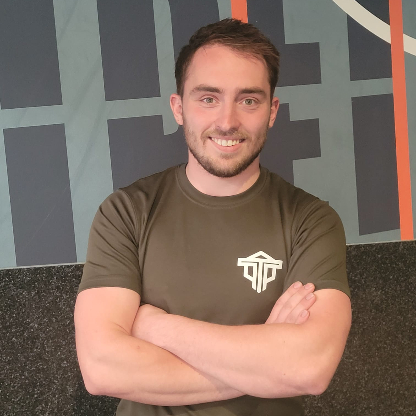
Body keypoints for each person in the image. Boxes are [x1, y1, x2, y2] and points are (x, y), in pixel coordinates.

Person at [74, 18, 351, 416]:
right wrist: (266, 361)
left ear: (272, 111)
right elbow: (102, 369)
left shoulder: (311, 221)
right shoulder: (126, 213)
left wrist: (158, 327)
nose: (227, 121)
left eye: (249, 100)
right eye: (208, 98)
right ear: (178, 108)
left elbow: (308, 368)